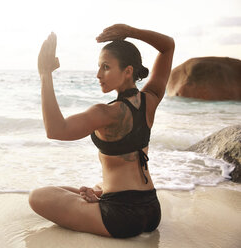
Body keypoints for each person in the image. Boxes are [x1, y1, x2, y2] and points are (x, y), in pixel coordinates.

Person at [29, 24, 175, 238]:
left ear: (128, 71)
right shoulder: (150, 99)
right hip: (152, 209)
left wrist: (45, 74)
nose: (98, 74)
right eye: (99, 67)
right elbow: (168, 47)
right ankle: (101, 194)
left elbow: (55, 130)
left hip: (122, 217)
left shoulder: (106, 113)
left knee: (38, 196)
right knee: (97, 185)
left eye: (105, 67)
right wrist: (131, 32)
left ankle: (102, 198)